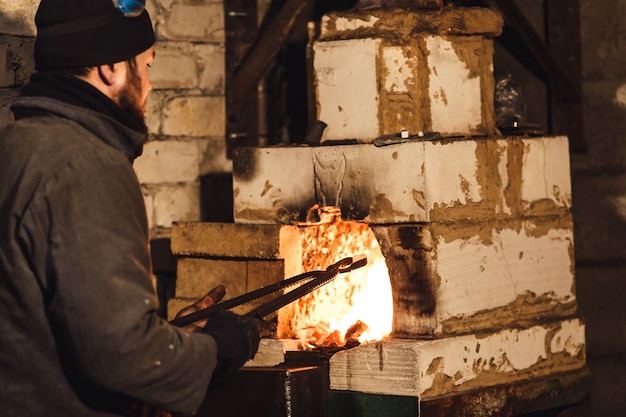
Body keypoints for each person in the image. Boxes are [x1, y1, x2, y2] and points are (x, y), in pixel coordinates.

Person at [0, 0, 274, 416]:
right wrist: (217, 350)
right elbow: (123, 356)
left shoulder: (16, 148)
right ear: (111, 67)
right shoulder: (87, 166)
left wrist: (167, 335)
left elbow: (50, 323)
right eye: (147, 66)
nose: (148, 85)